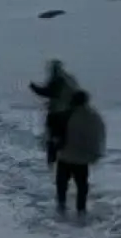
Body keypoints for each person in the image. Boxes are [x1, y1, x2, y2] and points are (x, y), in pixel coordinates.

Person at [54, 90, 106, 218]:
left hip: (65, 155)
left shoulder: (66, 115)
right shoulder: (93, 116)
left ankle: (61, 206)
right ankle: (81, 210)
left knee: (62, 184)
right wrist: (95, 154)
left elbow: (56, 135)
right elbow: (99, 136)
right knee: (82, 186)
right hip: (83, 158)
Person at [29, 59, 80, 166]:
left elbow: (49, 92)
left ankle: (52, 162)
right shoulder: (70, 79)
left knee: (52, 138)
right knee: (64, 137)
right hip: (68, 113)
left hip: (56, 113)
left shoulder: (58, 79)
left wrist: (34, 88)